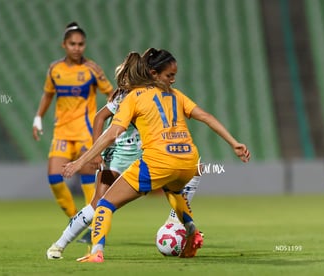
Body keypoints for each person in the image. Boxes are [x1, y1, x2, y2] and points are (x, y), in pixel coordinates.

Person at [62, 48, 251, 263]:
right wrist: (234, 143)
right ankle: (192, 232)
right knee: (175, 194)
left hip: (158, 162)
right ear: (154, 74)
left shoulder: (133, 98)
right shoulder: (177, 96)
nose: (173, 79)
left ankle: (96, 252)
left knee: (105, 204)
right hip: (188, 162)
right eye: (170, 75)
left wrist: (80, 162)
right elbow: (205, 116)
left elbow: (112, 134)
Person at [46, 50, 202, 259]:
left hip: (145, 155)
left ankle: (180, 224)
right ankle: (60, 244)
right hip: (117, 155)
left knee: (183, 178)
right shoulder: (124, 95)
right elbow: (100, 118)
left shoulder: (157, 92)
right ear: (151, 73)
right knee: (97, 205)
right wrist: (94, 153)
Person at [32, 22, 113, 219]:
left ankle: (89, 225)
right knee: (54, 179)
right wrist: (38, 118)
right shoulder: (55, 69)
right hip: (62, 132)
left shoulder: (92, 69)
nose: (77, 48)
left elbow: (111, 94)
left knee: (88, 183)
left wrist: (113, 121)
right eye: (72, 44)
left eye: (81, 44)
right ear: (64, 45)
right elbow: (48, 95)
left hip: (85, 133)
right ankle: (74, 220)